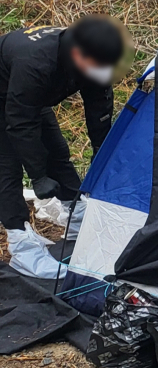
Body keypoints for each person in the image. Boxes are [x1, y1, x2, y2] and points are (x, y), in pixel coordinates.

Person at [0, 16, 126, 277]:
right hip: (8, 92)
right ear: (78, 55)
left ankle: (79, 219)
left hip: (28, 95)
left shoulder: (95, 57)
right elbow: (20, 124)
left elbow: (99, 106)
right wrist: (37, 176)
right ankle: (22, 247)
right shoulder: (36, 63)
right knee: (7, 166)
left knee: (57, 152)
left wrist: (102, 154)